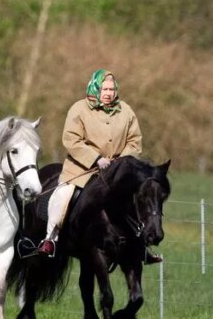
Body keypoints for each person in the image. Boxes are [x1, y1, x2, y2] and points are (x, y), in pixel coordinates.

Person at [38, 69, 162, 264]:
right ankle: (50, 239)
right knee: (63, 195)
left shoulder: (126, 110)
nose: (108, 93)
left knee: (139, 199)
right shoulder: (78, 109)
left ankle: (141, 247)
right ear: (95, 87)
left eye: (111, 89)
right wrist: (96, 159)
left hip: (118, 173)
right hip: (82, 170)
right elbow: (71, 139)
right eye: (104, 89)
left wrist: (121, 161)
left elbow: (134, 141)